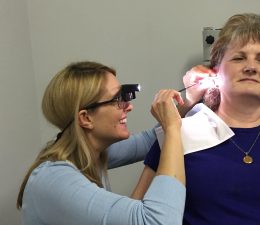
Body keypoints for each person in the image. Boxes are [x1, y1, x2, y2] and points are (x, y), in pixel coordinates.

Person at [134, 13, 260, 225]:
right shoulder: (180, 132)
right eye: (239, 58)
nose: (251, 66)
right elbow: (138, 213)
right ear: (215, 71)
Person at [16, 61, 186, 225]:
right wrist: (172, 128)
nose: (128, 106)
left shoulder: (87, 151)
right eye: (117, 99)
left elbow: (149, 140)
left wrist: (189, 99)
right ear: (85, 118)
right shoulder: (54, 181)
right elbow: (161, 221)